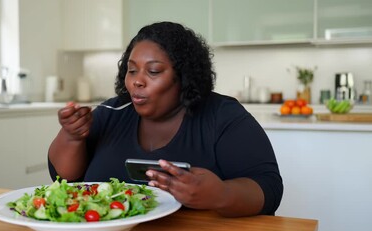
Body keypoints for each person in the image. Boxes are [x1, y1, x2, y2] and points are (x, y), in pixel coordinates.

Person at [48, 21, 283, 217]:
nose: (137, 81)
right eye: (132, 70)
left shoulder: (222, 116)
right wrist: (72, 136)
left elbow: (268, 188)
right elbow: (66, 178)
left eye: (153, 71)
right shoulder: (113, 111)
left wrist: (222, 195)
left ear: (184, 76)